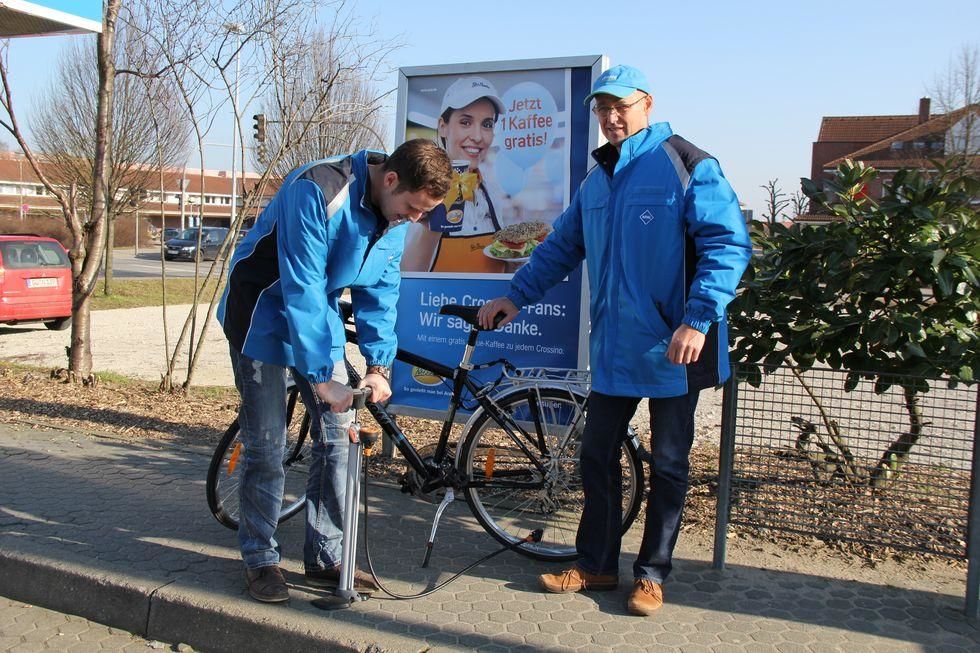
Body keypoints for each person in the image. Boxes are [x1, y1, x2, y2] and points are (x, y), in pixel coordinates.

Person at [477, 65, 751, 616]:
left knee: (670, 463)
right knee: (596, 454)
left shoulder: (688, 164)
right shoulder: (596, 177)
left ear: (646, 102)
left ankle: (652, 574)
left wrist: (697, 320)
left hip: (678, 348)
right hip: (616, 347)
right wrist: (517, 294)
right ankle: (597, 564)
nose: (610, 116)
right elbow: (562, 245)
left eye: (620, 105)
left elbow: (727, 245)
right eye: (602, 107)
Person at [217, 139, 452, 603]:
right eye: (411, 209)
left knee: (338, 436)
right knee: (267, 444)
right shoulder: (318, 188)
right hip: (261, 315)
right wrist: (322, 375)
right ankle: (260, 558)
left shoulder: (398, 216)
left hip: (315, 316)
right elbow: (301, 284)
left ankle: (325, 555)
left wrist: (379, 365)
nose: (415, 220)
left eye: (423, 213)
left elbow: (381, 291)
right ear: (389, 180)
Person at [401, 76, 507, 274]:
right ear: (443, 126)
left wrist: (515, 263)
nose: (477, 136)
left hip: (484, 304)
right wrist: (432, 223)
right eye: (466, 122)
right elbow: (406, 278)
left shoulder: (492, 194)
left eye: (487, 124)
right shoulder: (418, 191)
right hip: (433, 303)